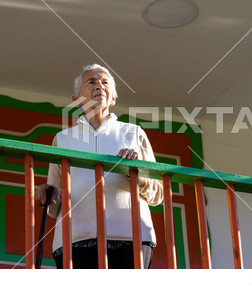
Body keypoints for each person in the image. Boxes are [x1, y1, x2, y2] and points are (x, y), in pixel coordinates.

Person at [35, 64, 163, 269]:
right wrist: (46, 193)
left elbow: (158, 194)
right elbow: (54, 204)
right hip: (74, 240)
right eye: (92, 82)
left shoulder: (133, 133)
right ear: (76, 99)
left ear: (112, 98)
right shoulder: (62, 139)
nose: (99, 87)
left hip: (131, 238)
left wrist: (135, 174)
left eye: (105, 83)